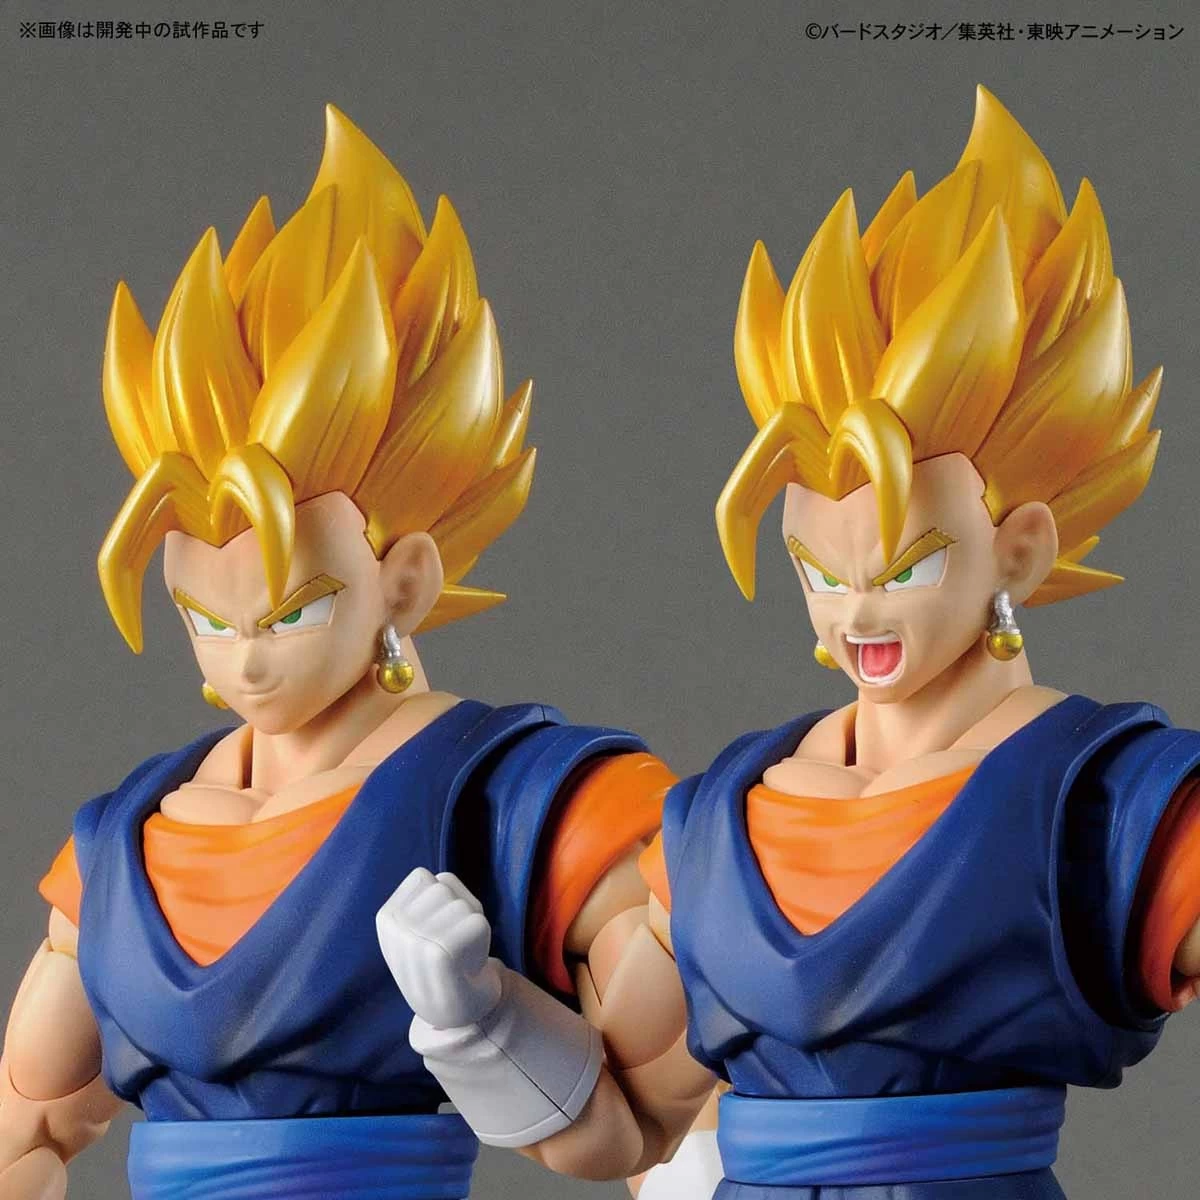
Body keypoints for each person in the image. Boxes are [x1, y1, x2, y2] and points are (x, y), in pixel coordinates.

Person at [378, 87, 1200, 1198]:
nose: (855, 612)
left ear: (1019, 549)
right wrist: (474, 1021)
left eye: (903, 568)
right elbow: (622, 1131)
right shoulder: (728, 820)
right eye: (819, 570)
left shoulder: (1110, 804)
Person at [0, 107, 684, 1200]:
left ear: (402, 581)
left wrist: (479, 1022)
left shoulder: (532, 804)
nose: (245, 661)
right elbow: (25, 1128)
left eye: (289, 613)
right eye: (205, 619)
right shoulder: (128, 843)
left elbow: (649, 1140)